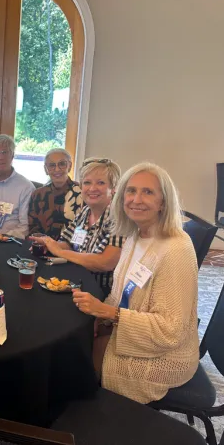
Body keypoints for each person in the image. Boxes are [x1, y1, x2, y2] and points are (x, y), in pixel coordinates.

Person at [72, 162, 199, 404]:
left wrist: (110, 313)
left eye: (148, 192)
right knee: (75, 341)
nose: (136, 199)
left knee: (73, 360)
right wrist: (104, 318)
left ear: (163, 202)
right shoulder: (134, 235)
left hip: (162, 357)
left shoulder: (176, 249)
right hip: (129, 333)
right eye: (131, 191)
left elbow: (171, 331)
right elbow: (121, 294)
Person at [31, 157, 124, 293]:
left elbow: (105, 263)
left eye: (100, 183)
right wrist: (48, 244)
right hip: (75, 282)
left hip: (99, 293)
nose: (92, 188)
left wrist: (60, 252)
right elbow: (69, 243)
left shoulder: (119, 219)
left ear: (114, 188)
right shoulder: (85, 212)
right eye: (87, 183)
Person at [28, 148, 82, 239]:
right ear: (46, 169)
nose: (57, 169)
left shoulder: (82, 192)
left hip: (72, 250)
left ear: (70, 166)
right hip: (43, 247)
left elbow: (85, 228)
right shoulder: (38, 194)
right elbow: (32, 227)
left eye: (62, 164)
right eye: (52, 165)